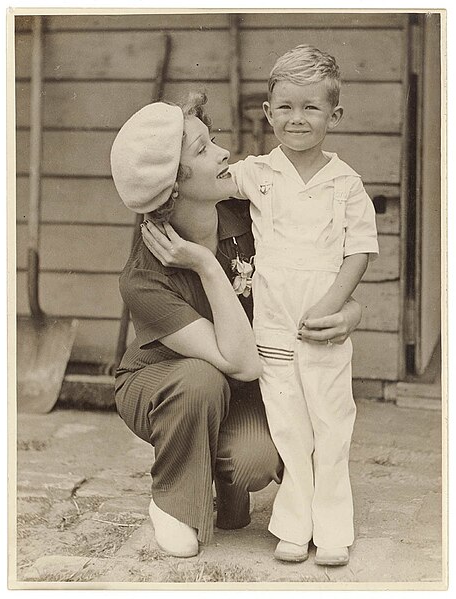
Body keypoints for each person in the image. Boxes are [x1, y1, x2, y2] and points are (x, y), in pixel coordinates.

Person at [110, 95, 363, 559]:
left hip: (238, 385)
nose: (225, 153)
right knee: (199, 378)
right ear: (173, 185)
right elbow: (241, 363)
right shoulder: (143, 277)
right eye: (204, 150)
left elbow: (312, 279)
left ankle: (229, 491)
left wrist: (348, 313)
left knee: (256, 460)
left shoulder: (251, 217)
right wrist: (207, 265)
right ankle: (173, 504)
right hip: (164, 385)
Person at [228, 45, 379, 566]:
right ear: (268, 113)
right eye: (285, 107)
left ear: (333, 116)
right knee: (290, 427)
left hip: (324, 327)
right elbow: (206, 178)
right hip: (273, 328)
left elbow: (359, 251)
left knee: (332, 424)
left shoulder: (346, 184)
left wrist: (335, 306)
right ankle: (294, 525)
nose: (297, 119)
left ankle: (333, 528)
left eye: (312, 108)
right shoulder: (256, 173)